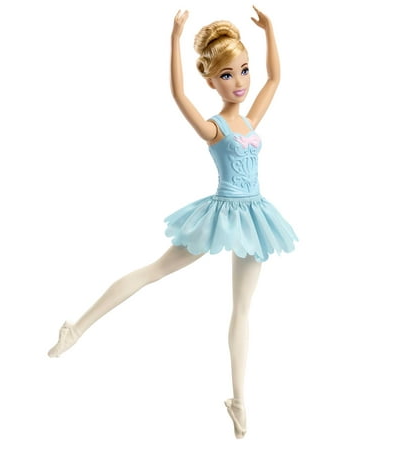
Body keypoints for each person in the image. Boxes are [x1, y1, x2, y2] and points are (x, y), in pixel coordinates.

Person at [48, 6, 298, 439]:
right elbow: (179, 94)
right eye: (226, 75)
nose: (239, 82)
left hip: (255, 216)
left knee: (242, 307)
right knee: (156, 270)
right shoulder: (215, 128)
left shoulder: (249, 119)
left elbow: (275, 78)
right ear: (211, 80)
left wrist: (271, 30)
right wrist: (175, 39)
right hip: (222, 213)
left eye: (243, 70)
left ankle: (239, 401)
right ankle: (77, 328)